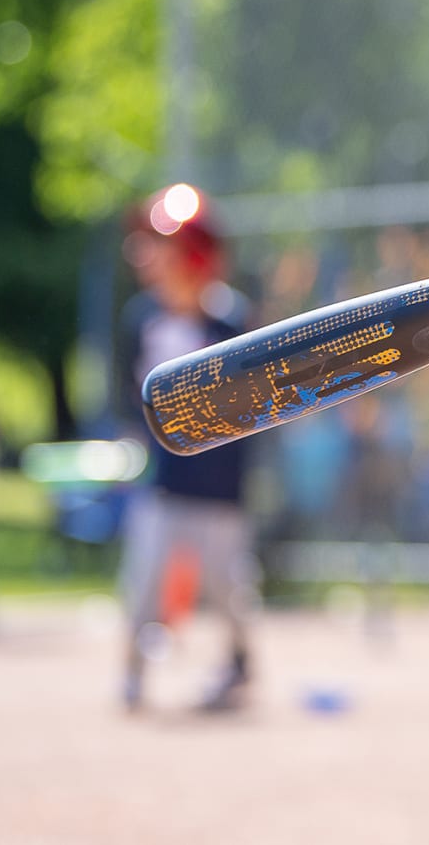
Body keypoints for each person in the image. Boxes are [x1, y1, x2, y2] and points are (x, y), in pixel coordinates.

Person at [112, 184, 260, 713]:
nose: (148, 256)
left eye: (166, 247)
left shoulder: (230, 322)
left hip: (219, 486)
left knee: (228, 589)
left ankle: (239, 666)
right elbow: (133, 398)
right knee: (145, 580)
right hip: (166, 482)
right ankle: (131, 672)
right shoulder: (143, 318)